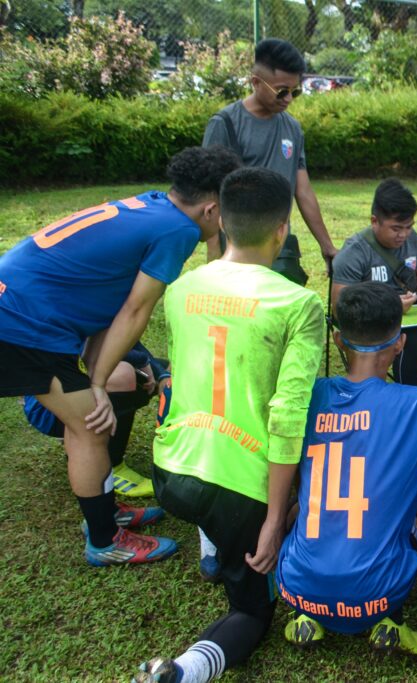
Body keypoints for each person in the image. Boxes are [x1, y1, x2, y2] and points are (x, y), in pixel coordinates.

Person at [0, 145, 238, 566]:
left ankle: (105, 509)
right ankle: (105, 540)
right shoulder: (178, 231)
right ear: (211, 208)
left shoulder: (155, 204)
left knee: (102, 402)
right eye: (228, 213)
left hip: (19, 306)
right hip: (20, 322)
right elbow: (133, 311)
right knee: (90, 424)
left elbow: (109, 306)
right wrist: (94, 384)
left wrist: (97, 376)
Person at [134, 167, 324, 683]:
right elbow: (288, 417)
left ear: (223, 220)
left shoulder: (181, 287)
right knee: (252, 613)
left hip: (170, 470)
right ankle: (183, 671)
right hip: (239, 490)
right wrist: (272, 519)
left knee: (213, 491)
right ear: (282, 229)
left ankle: (211, 546)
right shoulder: (299, 302)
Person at [274, 282, 417, 654]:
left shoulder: (311, 395)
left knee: (302, 511)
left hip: (297, 585)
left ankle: (306, 617)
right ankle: (391, 624)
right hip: (375, 596)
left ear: (337, 340)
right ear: (400, 343)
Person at [203, 38, 337, 284]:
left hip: (279, 245)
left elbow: (303, 189)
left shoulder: (292, 128)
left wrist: (326, 245)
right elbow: (209, 193)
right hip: (238, 246)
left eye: (295, 92)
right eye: (282, 91)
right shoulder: (226, 124)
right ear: (255, 82)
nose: (288, 99)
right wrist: (214, 250)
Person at [332, 178, 417, 404]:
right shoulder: (355, 251)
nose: (403, 235)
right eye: (396, 228)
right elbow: (339, 307)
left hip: (416, 315)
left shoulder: (413, 240)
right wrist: (391, 306)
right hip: (373, 326)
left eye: (409, 227)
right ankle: (410, 401)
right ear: (374, 221)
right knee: (409, 337)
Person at [22, 343, 169, 497]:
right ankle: (112, 466)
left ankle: (77, 441)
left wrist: (162, 375)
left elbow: (130, 340)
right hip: (48, 407)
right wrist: (141, 360)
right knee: (122, 374)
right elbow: (87, 348)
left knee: (162, 370)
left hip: (70, 381)